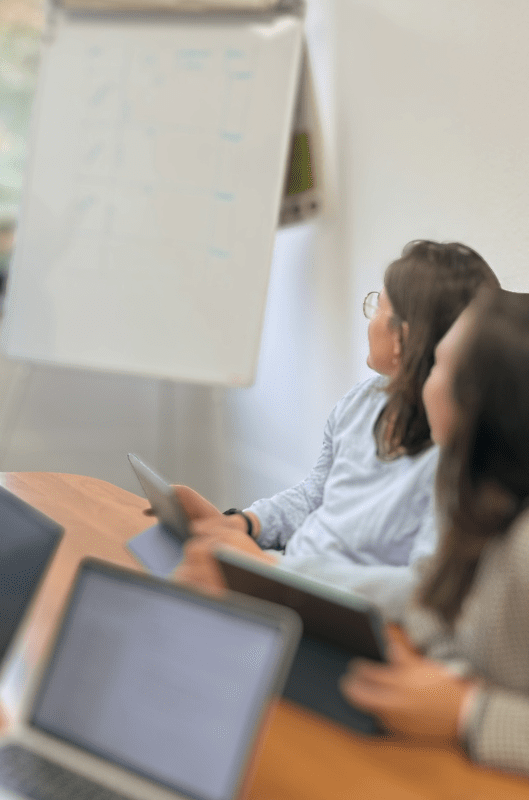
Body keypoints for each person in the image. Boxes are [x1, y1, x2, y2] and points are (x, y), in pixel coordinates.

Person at [341, 290, 529, 799]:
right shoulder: (487, 505)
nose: (419, 377)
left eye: (436, 363)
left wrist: (468, 713)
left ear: (478, 404)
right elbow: (441, 617)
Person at [176, 241, 498, 617]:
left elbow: (425, 587)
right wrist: (246, 524)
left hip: (336, 608)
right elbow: (316, 495)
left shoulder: (458, 456)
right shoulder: (364, 401)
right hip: (286, 576)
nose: (370, 318)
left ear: (404, 338)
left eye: (379, 306)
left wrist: (273, 571)